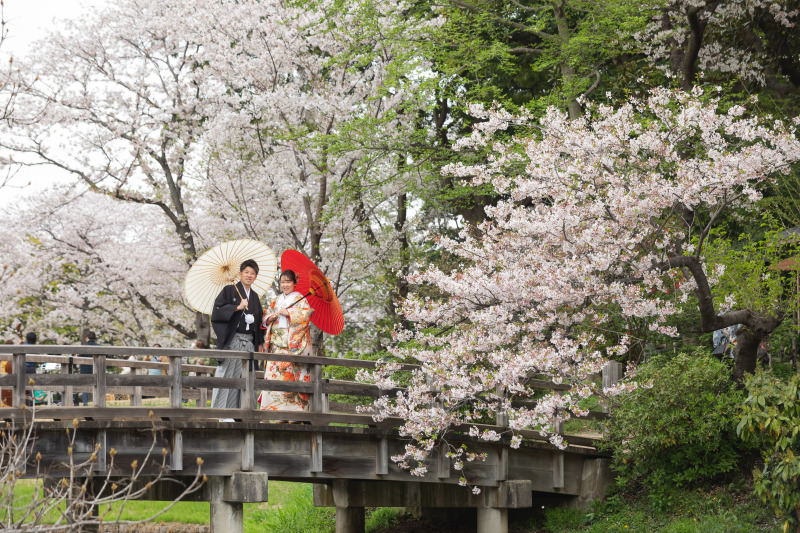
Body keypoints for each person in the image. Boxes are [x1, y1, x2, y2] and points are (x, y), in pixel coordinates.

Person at [210, 259, 265, 414]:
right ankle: (222, 413)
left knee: (247, 378)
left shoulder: (254, 296)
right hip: (233, 341)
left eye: (252, 273)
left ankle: (244, 413)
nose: (249, 275)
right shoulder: (228, 290)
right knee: (227, 375)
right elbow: (217, 311)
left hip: (248, 343)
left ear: (256, 277)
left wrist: (260, 340)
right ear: (240, 274)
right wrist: (236, 308)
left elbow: (259, 320)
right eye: (246, 272)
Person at [258, 269, 313, 418]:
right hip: (276, 348)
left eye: (288, 282)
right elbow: (266, 315)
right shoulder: (276, 300)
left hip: (291, 349)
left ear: (294, 283)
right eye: (283, 282)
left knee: (291, 382)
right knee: (274, 380)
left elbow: (306, 316)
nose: (285, 285)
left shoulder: (301, 299)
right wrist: (269, 318)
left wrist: (289, 313)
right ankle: (273, 413)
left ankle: (294, 416)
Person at [74, 330, 98, 406]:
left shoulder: (83, 347)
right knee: (97, 386)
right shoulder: (99, 347)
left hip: (85, 370)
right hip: (97, 370)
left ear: (87, 338)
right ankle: (97, 402)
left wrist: (76, 356)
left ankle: (85, 403)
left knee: (84, 388)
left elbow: (79, 358)